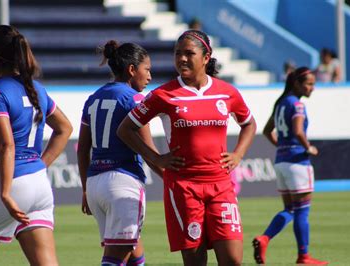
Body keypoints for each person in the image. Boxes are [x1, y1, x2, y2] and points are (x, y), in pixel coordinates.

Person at [117, 29, 257, 266]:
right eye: (177, 53)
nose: (181, 59)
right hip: (183, 188)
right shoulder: (163, 95)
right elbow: (125, 129)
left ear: (206, 57)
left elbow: (249, 124)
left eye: (189, 53)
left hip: (221, 185)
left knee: (233, 260)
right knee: (195, 262)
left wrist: (238, 154)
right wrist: (156, 158)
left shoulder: (227, 92)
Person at [0, 25, 73, 266]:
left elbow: (6, 145)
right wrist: (39, 165)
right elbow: (65, 129)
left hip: (8, 184)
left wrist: (6, 192)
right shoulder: (36, 89)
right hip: (39, 184)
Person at [77, 40, 163, 266]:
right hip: (122, 184)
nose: (150, 76)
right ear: (132, 70)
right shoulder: (135, 99)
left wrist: (86, 188)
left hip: (95, 184)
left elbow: (83, 148)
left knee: (134, 252)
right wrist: (173, 178)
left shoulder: (93, 98)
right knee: (114, 259)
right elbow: (148, 150)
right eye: (147, 69)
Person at [253, 67, 328, 265]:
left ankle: (264, 238)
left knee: (290, 209)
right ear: (297, 84)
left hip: (281, 161)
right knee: (302, 210)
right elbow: (298, 130)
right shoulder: (298, 105)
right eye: (309, 84)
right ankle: (304, 256)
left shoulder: (280, 104)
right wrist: (307, 147)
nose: (312, 88)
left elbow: (267, 130)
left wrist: (283, 147)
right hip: (297, 162)